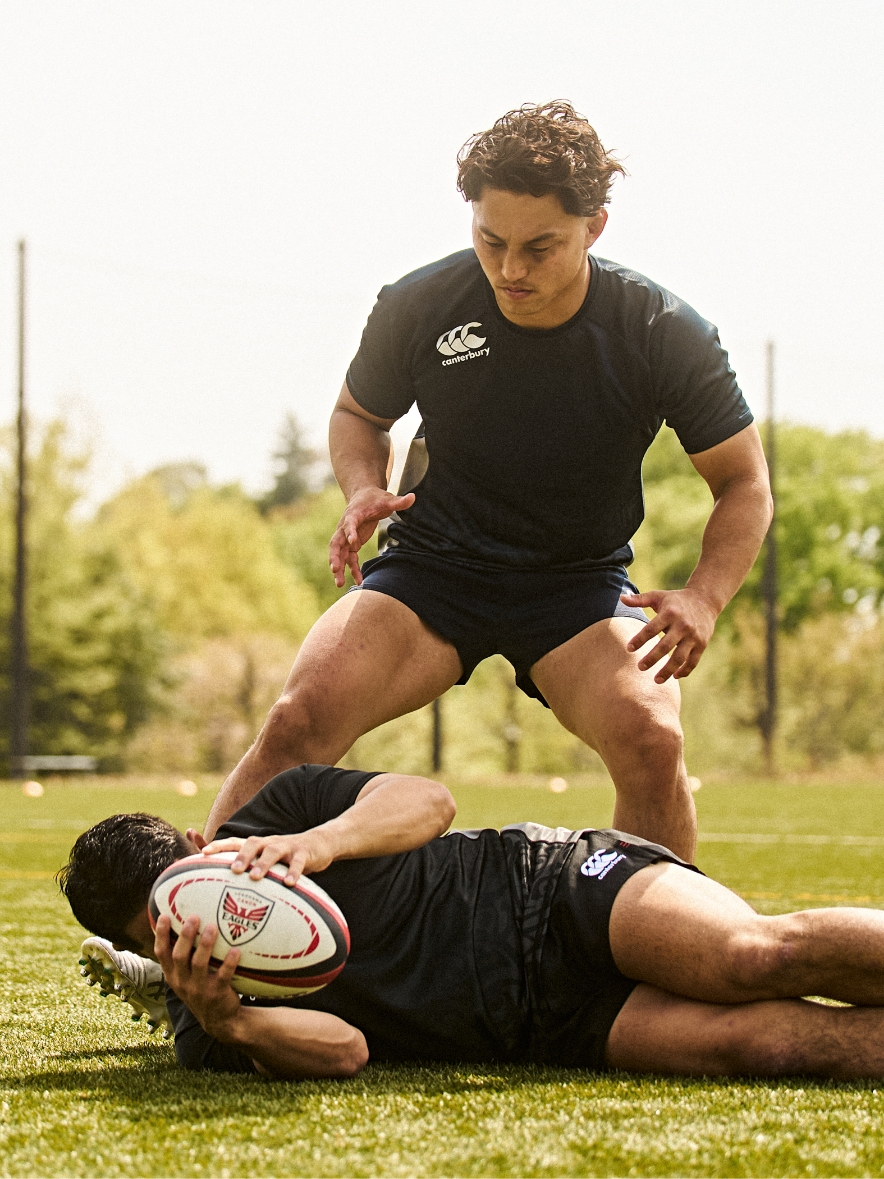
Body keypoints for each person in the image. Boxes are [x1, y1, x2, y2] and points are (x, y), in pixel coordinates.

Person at [203, 102, 772, 862]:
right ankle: (184, 918)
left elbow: (744, 483)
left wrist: (703, 595)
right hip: (432, 570)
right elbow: (356, 414)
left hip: (578, 587)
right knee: (299, 717)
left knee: (652, 735)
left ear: (595, 227)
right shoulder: (419, 304)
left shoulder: (660, 330)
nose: (510, 269)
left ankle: (660, 959)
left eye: (541, 247)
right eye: (490, 241)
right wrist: (362, 486)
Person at [63, 765, 884, 1081]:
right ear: (143, 945)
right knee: (766, 1045)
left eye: (186, 883)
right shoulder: (202, 1022)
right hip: (544, 1022)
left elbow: (431, 801)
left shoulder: (275, 814)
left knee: (749, 955)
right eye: (159, 929)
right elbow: (346, 1051)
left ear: (202, 845)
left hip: (545, 889)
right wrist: (229, 1017)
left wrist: (322, 841)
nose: (192, 923)